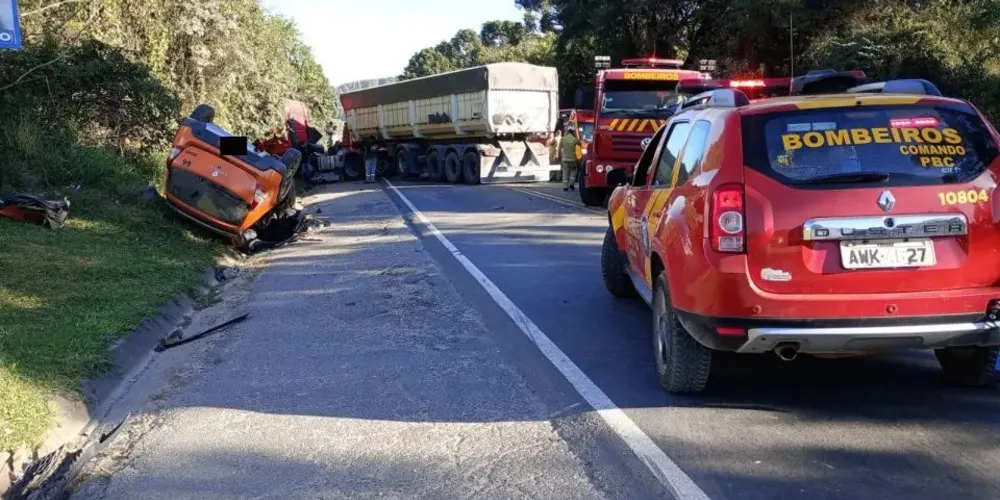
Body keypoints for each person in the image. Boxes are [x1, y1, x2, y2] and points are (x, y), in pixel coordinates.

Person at [560, 125, 579, 191]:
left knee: (565, 172)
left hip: (565, 159)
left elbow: (560, 148)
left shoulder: (563, 139)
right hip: (573, 159)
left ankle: (565, 187)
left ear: (567, 131)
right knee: (573, 171)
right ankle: (571, 185)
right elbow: (580, 143)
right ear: (573, 131)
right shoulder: (574, 139)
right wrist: (575, 135)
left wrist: (560, 157)